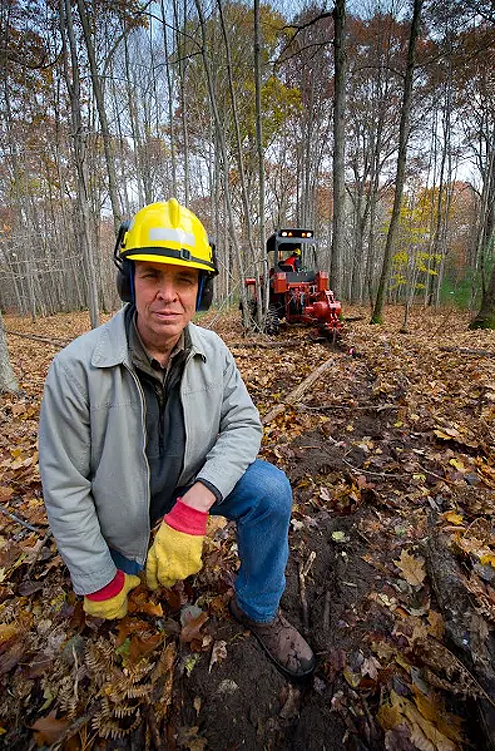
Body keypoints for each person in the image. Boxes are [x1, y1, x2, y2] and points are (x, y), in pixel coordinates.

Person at [38, 199, 315, 680]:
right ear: (129, 282)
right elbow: (63, 485)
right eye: (151, 277)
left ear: (200, 290)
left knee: (270, 491)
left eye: (184, 280)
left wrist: (196, 504)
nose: (168, 295)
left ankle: (258, 607)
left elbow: (245, 425)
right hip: (120, 507)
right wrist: (96, 577)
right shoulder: (74, 369)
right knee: (116, 592)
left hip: (190, 485)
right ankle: (122, 557)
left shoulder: (214, 352)